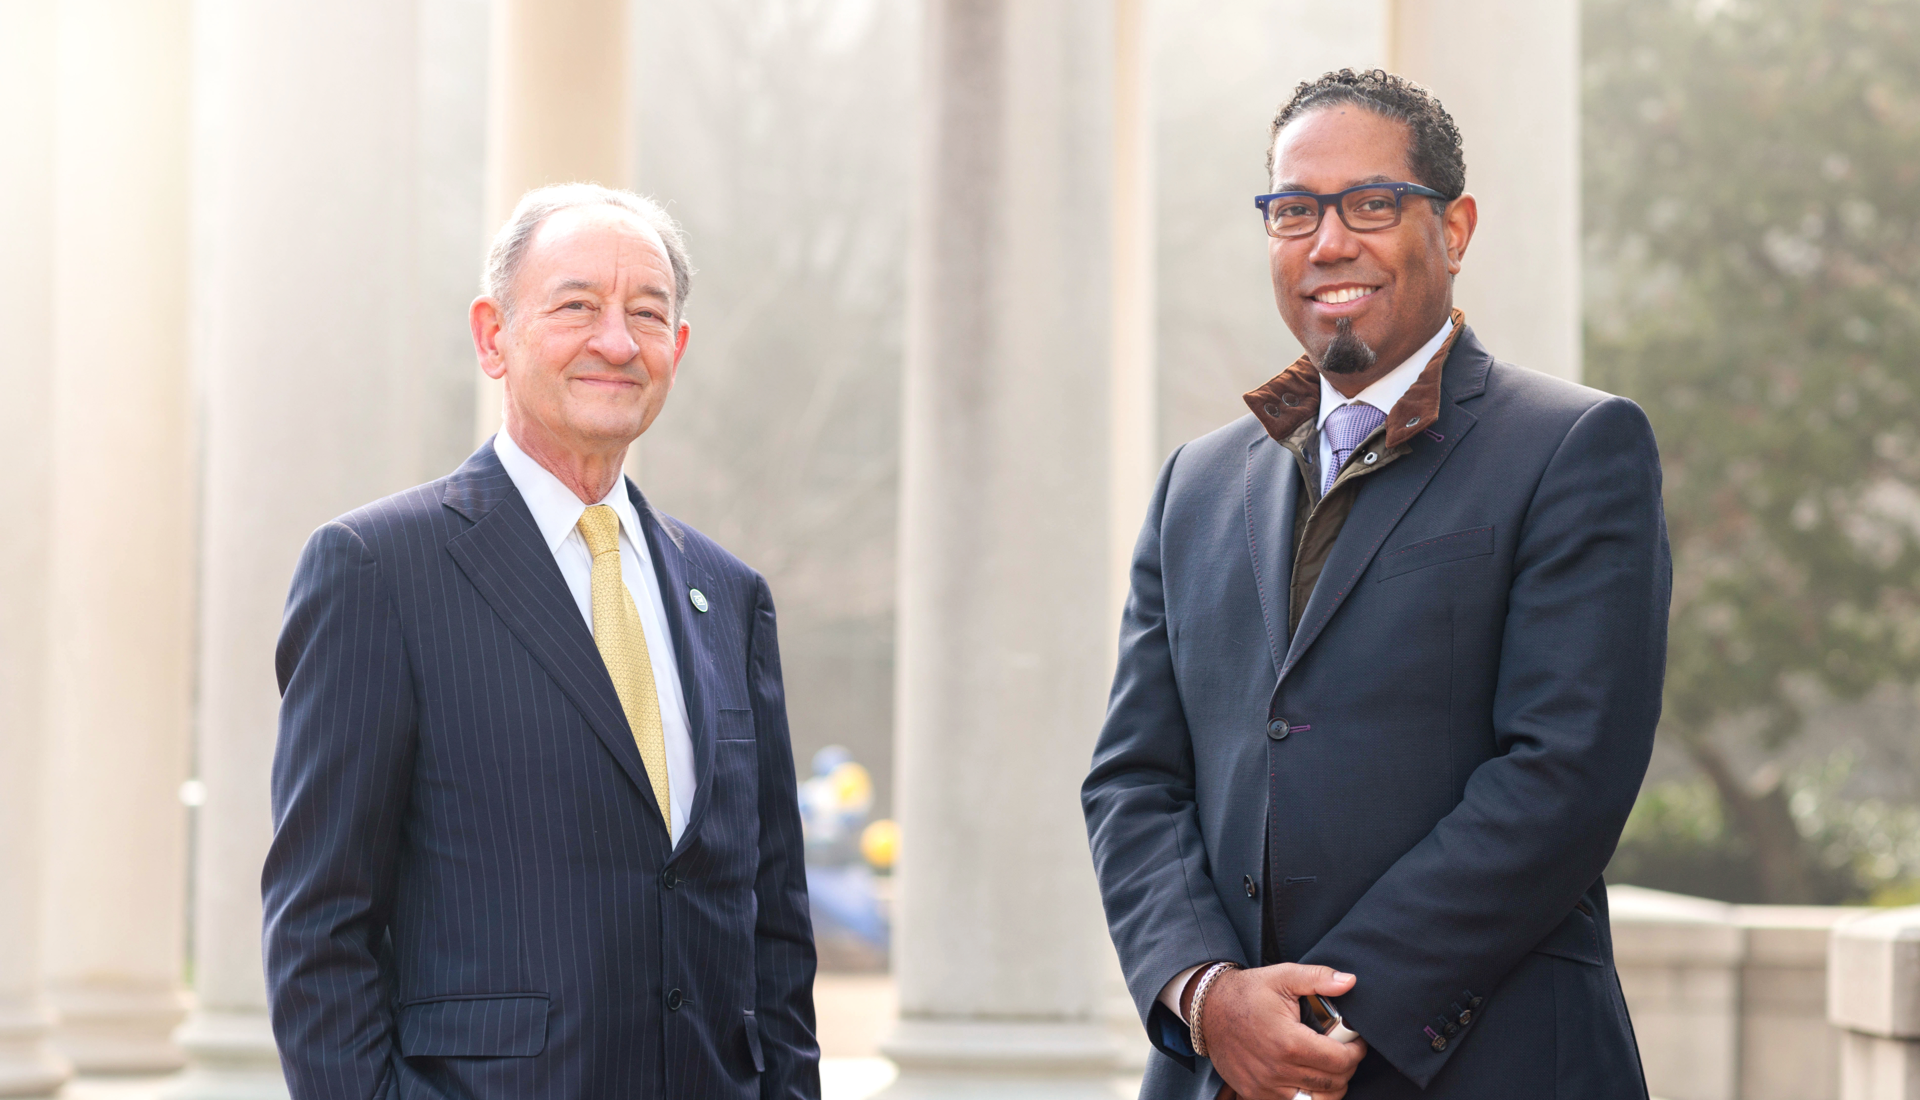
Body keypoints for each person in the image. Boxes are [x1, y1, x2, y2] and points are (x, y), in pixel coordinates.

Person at [1083, 69, 1670, 1100]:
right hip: (1225, 1069)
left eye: (1372, 204)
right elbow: (1134, 777)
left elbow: (1563, 776)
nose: (1328, 242)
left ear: (1456, 228)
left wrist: (1325, 1013)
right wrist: (1209, 993)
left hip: (1491, 1062)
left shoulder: (1575, 446)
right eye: (1294, 210)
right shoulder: (1196, 483)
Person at [264, 184, 820, 1099]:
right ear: (494, 336)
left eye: (648, 314)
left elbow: (774, 926)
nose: (616, 341)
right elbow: (320, 923)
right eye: (576, 307)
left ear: (676, 350)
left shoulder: (729, 594)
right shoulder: (378, 571)